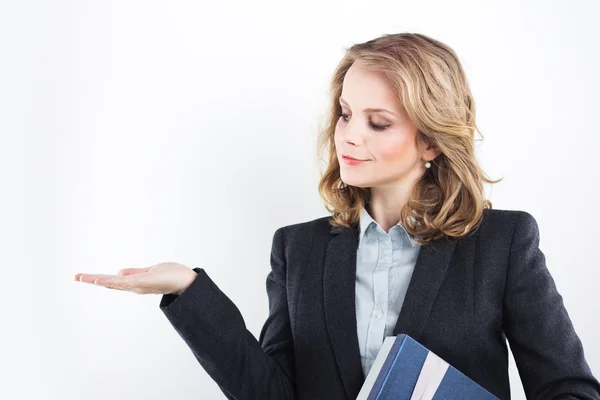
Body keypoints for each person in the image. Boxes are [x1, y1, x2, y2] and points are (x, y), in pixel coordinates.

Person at [74, 32, 600, 400]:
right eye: (347, 114)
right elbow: (271, 393)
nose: (349, 135)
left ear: (433, 141)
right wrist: (188, 289)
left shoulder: (503, 244)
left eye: (378, 122)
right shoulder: (297, 249)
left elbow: (569, 389)